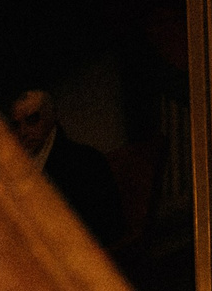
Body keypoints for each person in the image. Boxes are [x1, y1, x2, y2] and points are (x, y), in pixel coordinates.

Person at [8, 87, 127, 249]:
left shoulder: (84, 161)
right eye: (17, 125)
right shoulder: (18, 168)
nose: (23, 132)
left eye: (32, 119)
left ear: (52, 116)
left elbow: (103, 228)